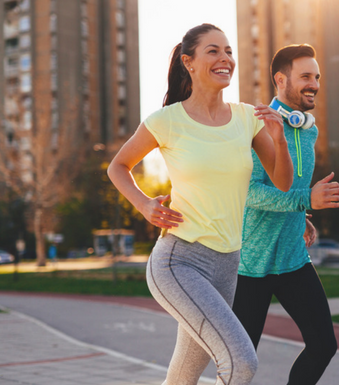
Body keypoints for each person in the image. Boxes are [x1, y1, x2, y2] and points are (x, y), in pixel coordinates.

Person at [107, 24, 293, 385]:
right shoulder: (167, 120)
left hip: (227, 264)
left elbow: (282, 182)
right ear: (188, 62)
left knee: (182, 377)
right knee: (241, 363)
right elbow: (118, 166)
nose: (225, 59)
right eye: (213, 51)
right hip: (179, 262)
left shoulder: (246, 118)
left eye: (228, 51)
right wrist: (145, 205)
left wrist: (280, 141)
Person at [232, 44, 339, 385]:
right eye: (306, 76)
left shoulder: (309, 129)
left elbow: (288, 187)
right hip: (251, 264)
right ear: (281, 79)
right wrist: (304, 199)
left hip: (294, 258)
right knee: (241, 361)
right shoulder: (255, 126)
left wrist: (302, 213)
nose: (315, 84)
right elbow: (249, 193)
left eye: (318, 77)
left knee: (324, 345)